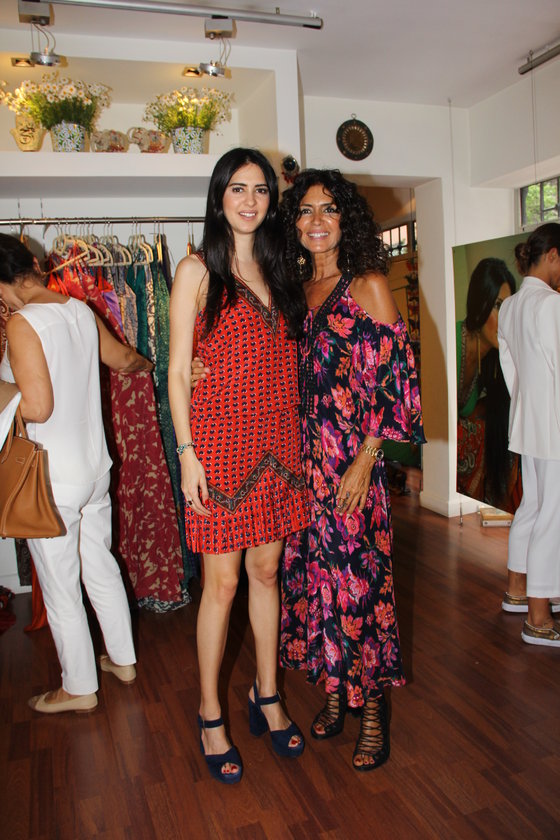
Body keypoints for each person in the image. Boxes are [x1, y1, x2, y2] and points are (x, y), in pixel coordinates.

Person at [168, 148, 308, 785]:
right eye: (238, 189)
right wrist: (187, 454)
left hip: (279, 444)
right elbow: (177, 371)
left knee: (267, 570)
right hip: (220, 446)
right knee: (221, 585)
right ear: (219, 196)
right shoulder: (197, 270)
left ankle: (266, 693)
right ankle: (209, 712)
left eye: (260, 190)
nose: (250, 201)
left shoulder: (283, 269)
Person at [278, 169, 425, 771]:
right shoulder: (293, 291)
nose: (316, 221)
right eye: (305, 210)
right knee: (318, 585)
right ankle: (337, 695)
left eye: (329, 209)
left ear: (347, 220)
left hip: (350, 468)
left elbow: (398, 380)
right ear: (293, 223)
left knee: (359, 589)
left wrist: (367, 459)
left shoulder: (368, 285)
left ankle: (372, 713)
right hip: (301, 470)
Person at [0, 233, 152, 713]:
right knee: (100, 565)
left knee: (60, 583)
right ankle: (123, 660)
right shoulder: (79, 310)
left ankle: (79, 687)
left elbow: (38, 407)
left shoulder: (24, 322)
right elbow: (124, 360)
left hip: (53, 478)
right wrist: (155, 366)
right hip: (94, 469)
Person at [498, 222, 560, 645]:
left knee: (534, 506)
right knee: (552, 515)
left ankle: (517, 590)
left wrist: (526, 408)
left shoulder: (510, 306)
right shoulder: (551, 304)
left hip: (528, 421)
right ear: (552, 255)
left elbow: (511, 373)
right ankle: (539, 617)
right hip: (553, 423)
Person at [456, 258, 518, 512]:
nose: (505, 320)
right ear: (480, 303)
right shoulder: (453, 342)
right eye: (498, 306)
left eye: (509, 309)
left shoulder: (492, 359)